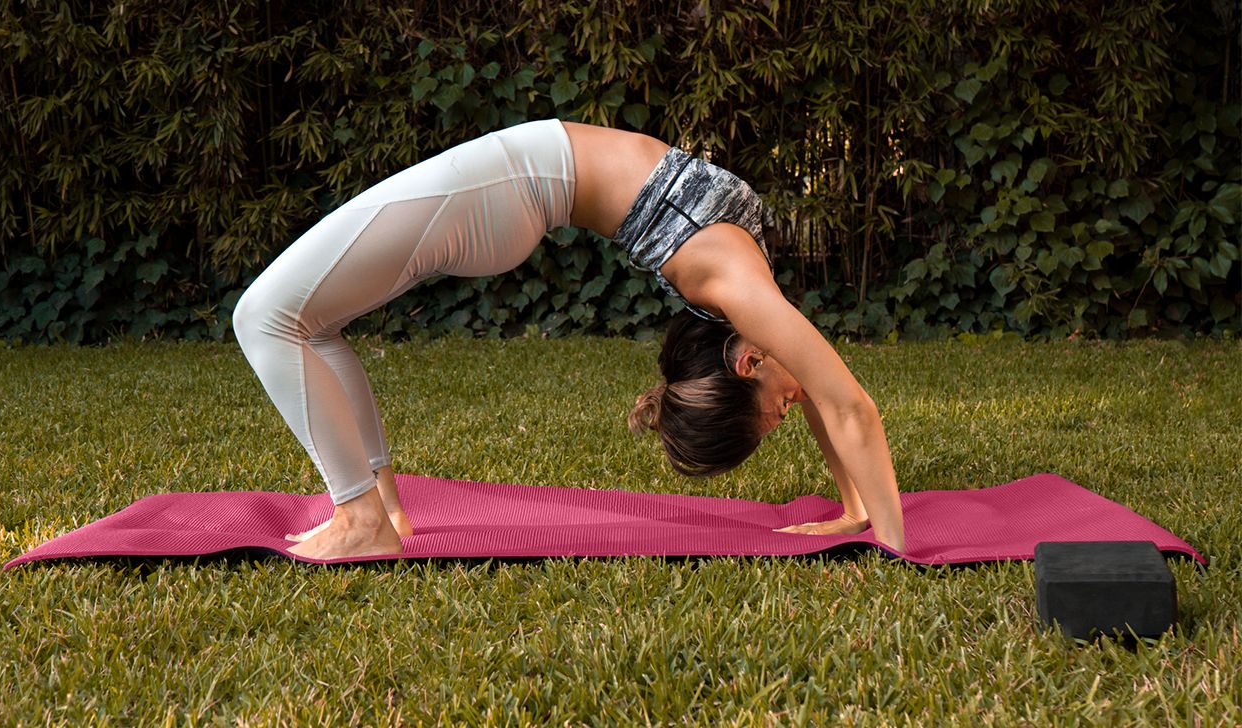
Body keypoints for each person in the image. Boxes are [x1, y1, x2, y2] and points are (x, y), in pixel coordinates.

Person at [232, 120, 905, 560]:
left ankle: (361, 521)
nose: (794, 404)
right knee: (284, 320)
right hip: (507, 184)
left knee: (267, 315)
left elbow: (822, 392)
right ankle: (380, 513)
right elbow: (846, 404)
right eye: (779, 409)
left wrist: (857, 513)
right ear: (748, 360)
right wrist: (886, 538)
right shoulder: (737, 290)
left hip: (512, 184)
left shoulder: (740, 298)